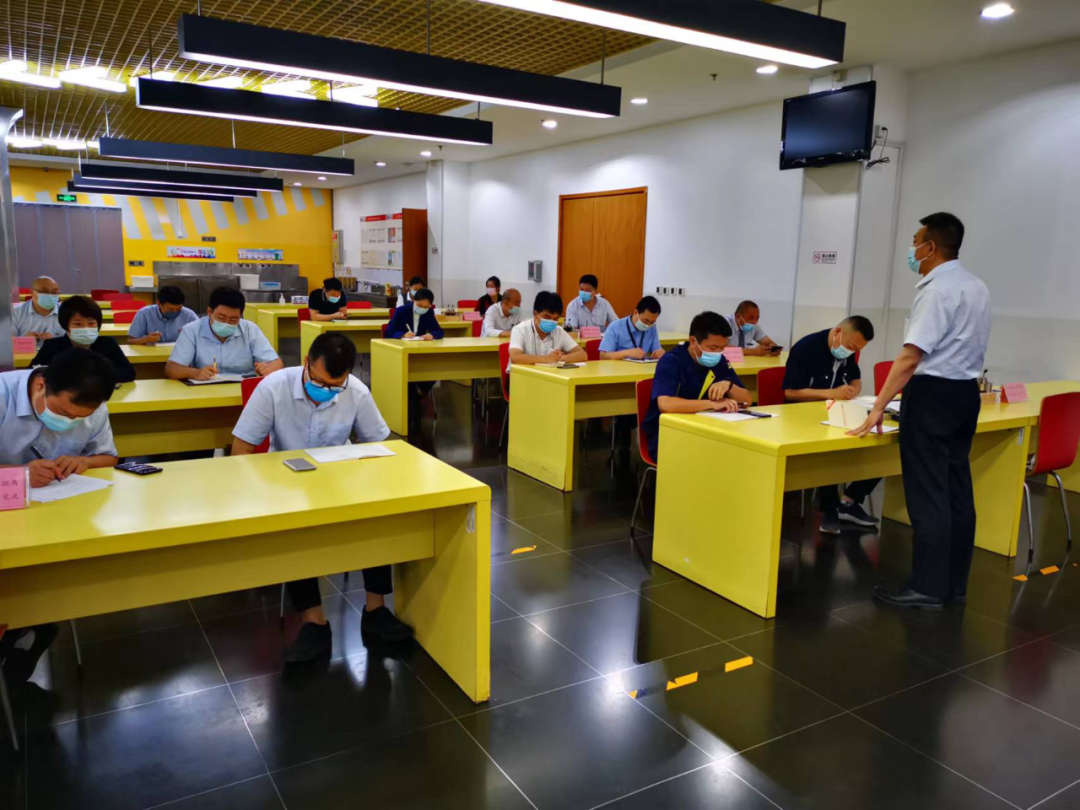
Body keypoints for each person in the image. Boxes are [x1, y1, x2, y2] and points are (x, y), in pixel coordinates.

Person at [231, 333, 412, 661]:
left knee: (377, 514)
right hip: (285, 483)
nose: (325, 391)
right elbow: (241, 451)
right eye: (318, 382)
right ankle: (313, 621)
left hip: (340, 482)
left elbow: (381, 446)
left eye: (335, 386)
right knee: (293, 525)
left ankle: (376, 610)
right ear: (306, 363)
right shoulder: (273, 388)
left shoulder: (356, 391)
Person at [850, 212, 991, 611]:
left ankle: (927, 588)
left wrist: (878, 406)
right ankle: (954, 584)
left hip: (932, 396)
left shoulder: (936, 290)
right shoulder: (976, 286)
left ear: (930, 247)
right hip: (965, 393)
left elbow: (911, 357)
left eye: (915, 242)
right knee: (957, 489)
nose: (911, 250)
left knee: (929, 494)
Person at [0, 349, 119, 683]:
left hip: (60, 510)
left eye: (80, 419)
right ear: (41, 384)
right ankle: (24, 624)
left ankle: (33, 621)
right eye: (63, 413)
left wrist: (84, 461)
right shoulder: (3, 394)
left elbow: (108, 457)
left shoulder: (93, 404)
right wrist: (19, 473)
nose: (70, 422)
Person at [784, 316, 878, 534]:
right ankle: (830, 509)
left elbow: (855, 378)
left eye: (857, 350)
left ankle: (850, 500)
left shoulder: (847, 351)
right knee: (829, 449)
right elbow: (790, 392)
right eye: (851, 347)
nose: (851, 352)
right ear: (837, 332)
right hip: (802, 416)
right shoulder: (806, 348)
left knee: (877, 440)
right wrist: (831, 393)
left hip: (836, 412)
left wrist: (854, 389)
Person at [640, 311, 752, 462]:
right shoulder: (671, 361)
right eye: (712, 347)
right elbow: (666, 404)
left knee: (739, 454)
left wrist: (730, 386)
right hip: (668, 434)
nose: (718, 353)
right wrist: (712, 404)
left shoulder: (720, 361)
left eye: (722, 348)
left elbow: (747, 400)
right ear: (693, 341)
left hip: (707, 429)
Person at [166, 287, 283, 380]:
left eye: (233, 319)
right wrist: (196, 373)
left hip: (242, 390)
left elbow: (277, 363)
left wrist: (267, 369)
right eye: (221, 318)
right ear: (209, 312)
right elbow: (171, 369)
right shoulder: (192, 330)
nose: (227, 323)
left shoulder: (249, 329)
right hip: (206, 390)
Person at [31, 295, 136, 383]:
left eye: (91, 323)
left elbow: (128, 373)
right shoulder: (52, 346)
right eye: (78, 324)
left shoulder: (108, 344)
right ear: (66, 326)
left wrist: (94, 377)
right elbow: (32, 374)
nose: (86, 328)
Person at [508, 291, 587, 369]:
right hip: (522, 375)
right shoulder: (520, 330)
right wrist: (545, 359)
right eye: (547, 317)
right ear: (535, 314)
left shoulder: (559, 331)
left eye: (555, 318)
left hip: (549, 375)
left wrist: (558, 358)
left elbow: (582, 355)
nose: (551, 321)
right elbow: (515, 357)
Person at [599, 296, 665, 361]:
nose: (647, 325)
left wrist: (661, 352)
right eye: (645, 321)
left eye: (652, 322)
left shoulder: (652, 328)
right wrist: (627, 353)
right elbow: (603, 356)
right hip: (620, 367)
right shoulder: (615, 326)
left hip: (642, 367)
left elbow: (657, 349)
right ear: (636, 312)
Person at [127, 286, 198, 345]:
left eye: (179, 308)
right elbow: (130, 341)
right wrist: (145, 339)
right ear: (159, 304)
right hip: (152, 355)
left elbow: (201, 338)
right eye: (170, 309)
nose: (174, 311)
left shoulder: (189, 315)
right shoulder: (144, 313)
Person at [12, 275, 64, 346]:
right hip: (24, 353)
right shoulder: (15, 312)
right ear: (32, 292)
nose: (50, 295)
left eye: (54, 292)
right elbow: (5, 345)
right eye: (44, 291)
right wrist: (24, 341)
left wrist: (56, 341)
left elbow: (74, 344)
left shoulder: (67, 312)